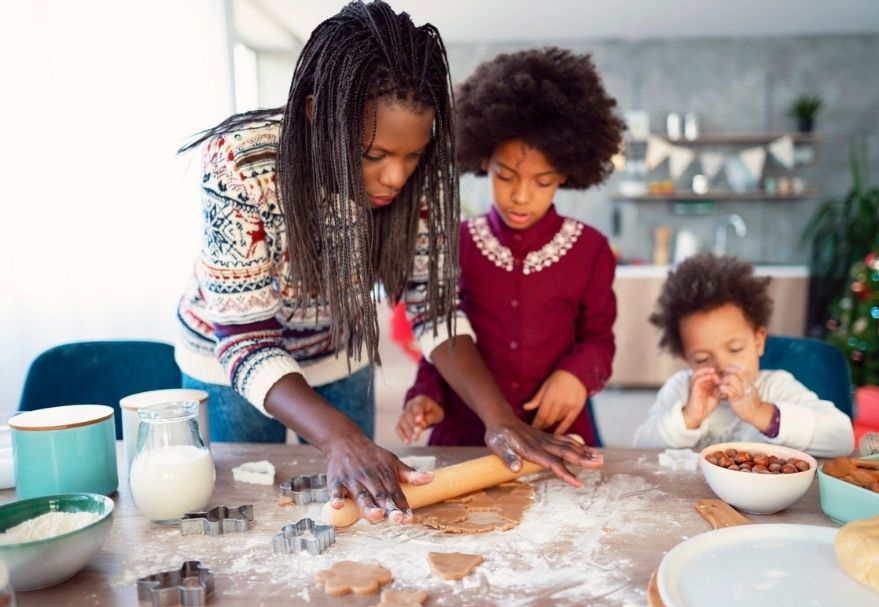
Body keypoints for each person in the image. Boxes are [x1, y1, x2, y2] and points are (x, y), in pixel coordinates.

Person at [176, 2, 601, 526]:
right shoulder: (240, 163)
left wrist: (500, 420)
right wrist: (342, 438)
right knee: (243, 512)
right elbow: (245, 341)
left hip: (339, 349)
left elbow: (433, 311)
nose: (397, 178)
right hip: (231, 367)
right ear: (316, 115)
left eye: (412, 156)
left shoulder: (414, 180)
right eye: (373, 155)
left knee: (355, 511)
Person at [396, 47, 623, 448]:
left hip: (556, 430)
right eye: (506, 176)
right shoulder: (453, 243)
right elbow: (441, 332)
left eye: (542, 181)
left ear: (567, 174)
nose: (521, 196)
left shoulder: (591, 249)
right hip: (469, 432)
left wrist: (577, 376)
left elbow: (599, 340)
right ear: (483, 160)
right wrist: (426, 393)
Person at [633, 255, 853, 456]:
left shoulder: (776, 387)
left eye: (736, 349)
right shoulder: (680, 390)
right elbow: (640, 448)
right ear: (685, 357)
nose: (722, 365)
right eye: (702, 359)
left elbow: (842, 438)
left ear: (758, 341)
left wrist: (762, 414)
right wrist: (688, 418)